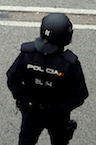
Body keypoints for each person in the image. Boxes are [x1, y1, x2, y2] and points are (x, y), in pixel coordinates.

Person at [6, 13, 89, 145]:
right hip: (57, 116)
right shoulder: (69, 64)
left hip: (31, 112)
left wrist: (25, 101)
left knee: (26, 142)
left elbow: (12, 79)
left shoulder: (27, 54)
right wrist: (60, 108)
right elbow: (80, 94)